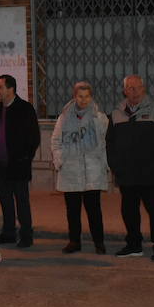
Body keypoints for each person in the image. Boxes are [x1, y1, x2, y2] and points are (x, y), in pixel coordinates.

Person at [107, 74, 154, 261]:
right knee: (129, 211)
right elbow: (109, 143)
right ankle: (133, 244)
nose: (134, 91)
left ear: (144, 89)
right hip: (126, 174)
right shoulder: (116, 113)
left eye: (137, 87)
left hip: (150, 175)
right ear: (124, 91)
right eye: (130, 88)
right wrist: (115, 166)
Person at [50, 81, 110, 254]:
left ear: (91, 97)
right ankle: (74, 241)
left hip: (92, 169)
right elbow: (55, 141)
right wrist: (60, 160)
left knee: (94, 210)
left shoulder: (99, 118)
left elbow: (107, 140)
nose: (83, 100)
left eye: (87, 96)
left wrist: (103, 162)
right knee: (73, 211)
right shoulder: (65, 117)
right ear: (75, 97)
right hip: (71, 169)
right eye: (80, 96)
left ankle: (99, 242)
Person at [0, 74, 40, 248]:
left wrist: (25, 157)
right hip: (1, 164)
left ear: (11, 89)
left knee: (22, 200)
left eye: (0, 87)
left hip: (19, 164)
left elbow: (34, 137)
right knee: (5, 200)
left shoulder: (25, 109)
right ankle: (8, 232)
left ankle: (26, 234)